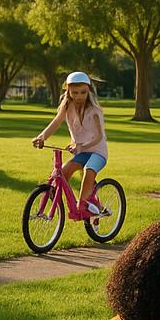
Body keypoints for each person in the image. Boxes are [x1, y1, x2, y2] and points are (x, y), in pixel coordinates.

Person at [32, 71, 109, 217]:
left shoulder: (94, 111)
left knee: (89, 169)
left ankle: (84, 204)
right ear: (68, 91)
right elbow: (56, 122)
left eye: (83, 92)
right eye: (75, 93)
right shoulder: (68, 107)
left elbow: (99, 137)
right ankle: (57, 200)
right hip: (81, 152)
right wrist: (42, 137)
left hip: (98, 152)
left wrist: (80, 146)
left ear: (88, 91)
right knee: (64, 172)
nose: (79, 96)